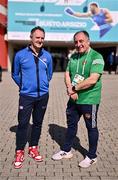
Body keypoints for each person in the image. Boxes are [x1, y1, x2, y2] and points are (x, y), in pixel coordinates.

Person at [52, 30, 104, 168]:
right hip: (73, 99)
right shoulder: (74, 57)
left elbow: (93, 79)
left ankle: (92, 156)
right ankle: (66, 150)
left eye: (81, 41)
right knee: (71, 125)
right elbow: (67, 74)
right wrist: (70, 89)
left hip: (89, 99)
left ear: (88, 41)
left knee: (91, 128)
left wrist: (74, 89)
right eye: (76, 42)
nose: (78, 44)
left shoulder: (96, 57)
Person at [12, 26, 53, 169]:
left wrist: (43, 86)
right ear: (31, 38)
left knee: (37, 123)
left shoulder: (47, 56)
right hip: (26, 96)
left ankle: (33, 148)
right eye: (37, 37)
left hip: (42, 96)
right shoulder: (20, 55)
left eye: (42, 38)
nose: (40, 40)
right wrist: (24, 86)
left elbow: (49, 74)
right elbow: (15, 74)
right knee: (23, 124)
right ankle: (19, 151)